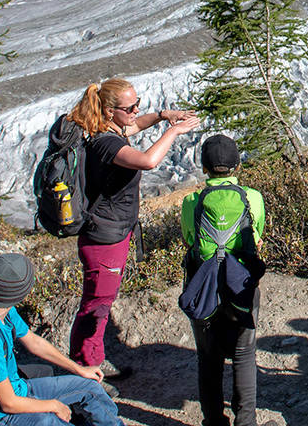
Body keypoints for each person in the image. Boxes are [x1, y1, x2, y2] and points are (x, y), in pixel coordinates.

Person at [65, 77, 199, 373]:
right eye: (130, 107)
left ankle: (90, 359)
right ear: (109, 111)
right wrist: (174, 131)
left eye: (137, 104)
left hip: (112, 232)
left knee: (100, 301)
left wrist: (163, 116)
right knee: (97, 305)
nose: (136, 111)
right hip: (104, 238)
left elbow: (135, 126)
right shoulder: (106, 143)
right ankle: (85, 368)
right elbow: (148, 161)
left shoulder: (107, 129)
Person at [0, 253, 121, 426]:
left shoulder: (3, 311)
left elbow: (34, 342)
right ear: (22, 293)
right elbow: (8, 403)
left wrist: (79, 370)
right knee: (50, 421)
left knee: (90, 388)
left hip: (18, 389)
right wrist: (54, 405)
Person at [180, 135, 265, 426]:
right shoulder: (252, 198)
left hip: (204, 286)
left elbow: (189, 239)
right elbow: (257, 236)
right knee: (244, 354)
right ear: (237, 165)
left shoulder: (191, 202)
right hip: (240, 286)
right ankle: (246, 422)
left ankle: (214, 421)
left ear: (204, 168)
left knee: (208, 357)